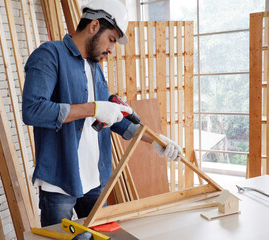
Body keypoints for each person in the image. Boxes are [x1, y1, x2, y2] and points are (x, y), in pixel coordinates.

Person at [22, 0, 182, 227]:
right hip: (59, 182)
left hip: (95, 179)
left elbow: (112, 118)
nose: (111, 49)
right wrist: (93, 108)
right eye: (112, 40)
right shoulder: (49, 55)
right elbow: (33, 110)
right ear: (95, 26)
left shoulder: (95, 67)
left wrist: (155, 140)